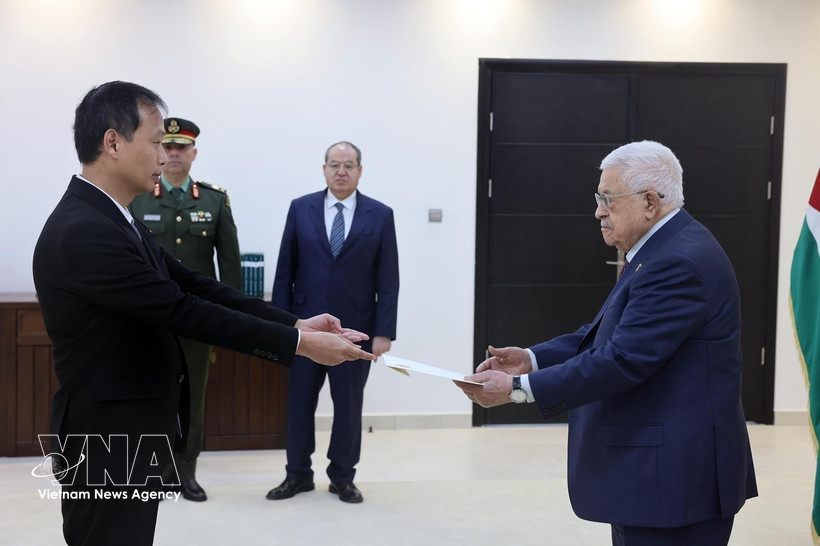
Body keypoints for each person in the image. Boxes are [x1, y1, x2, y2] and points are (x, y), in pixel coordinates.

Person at [32, 81, 373, 546]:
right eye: (155, 143)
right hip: (107, 436)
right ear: (113, 143)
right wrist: (301, 345)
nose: (163, 156)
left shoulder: (115, 216)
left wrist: (292, 323)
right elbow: (180, 308)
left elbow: (193, 282)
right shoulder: (84, 230)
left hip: (130, 430)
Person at [456, 141, 757, 545]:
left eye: (608, 198)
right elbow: (606, 334)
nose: (598, 210)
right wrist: (531, 359)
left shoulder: (677, 261)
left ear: (650, 201)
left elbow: (622, 359)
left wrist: (518, 391)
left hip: (674, 479)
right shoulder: (662, 249)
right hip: (657, 475)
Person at [267, 141, 399, 504]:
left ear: (360, 171)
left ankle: (342, 477)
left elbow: (388, 278)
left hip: (356, 333)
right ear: (324, 169)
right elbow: (285, 272)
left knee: (348, 407)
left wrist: (384, 332)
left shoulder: (380, 214)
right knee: (299, 405)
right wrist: (281, 326)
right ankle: (297, 476)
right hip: (305, 330)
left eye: (349, 165)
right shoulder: (300, 208)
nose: (341, 171)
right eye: (335, 164)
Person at [129, 117, 240, 502]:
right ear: (160, 150)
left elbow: (229, 267)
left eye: (182, 148)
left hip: (196, 320)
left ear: (193, 154)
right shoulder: (139, 197)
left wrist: (232, 324)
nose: (174, 154)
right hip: (147, 319)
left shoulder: (214, 200)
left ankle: (184, 472)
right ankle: (150, 471)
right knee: (147, 394)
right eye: (168, 146)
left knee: (192, 399)